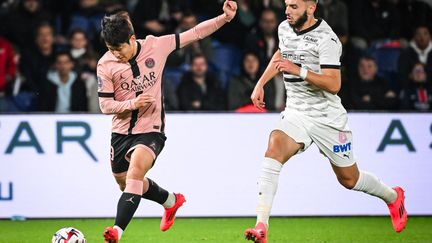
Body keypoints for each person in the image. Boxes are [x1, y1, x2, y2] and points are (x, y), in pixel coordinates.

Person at [243, 1, 407, 242]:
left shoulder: (327, 39)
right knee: (274, 147)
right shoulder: (284, 28)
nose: (288, 11)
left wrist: (298, 70)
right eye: (287, 5)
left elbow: (333, 84)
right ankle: (261, 226)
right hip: (297, 112)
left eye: (294, 6)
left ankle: (393, 196)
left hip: (327, 118)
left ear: (311, 8)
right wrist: (261, 83)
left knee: (350, 179)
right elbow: (281, 54)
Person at [97, 2, 237, 242]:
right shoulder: (105, 64)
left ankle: (116, 231)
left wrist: (224, 18)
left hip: (151, 129)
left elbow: (194, 33)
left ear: (132, 39)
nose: (116, 54)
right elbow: (105, 106)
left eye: (119, 48)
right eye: (111, 49)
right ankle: (171, 201)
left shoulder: (156, 45)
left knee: (135, 174)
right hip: (120, 132)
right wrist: (132, 104)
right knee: (125, 183)